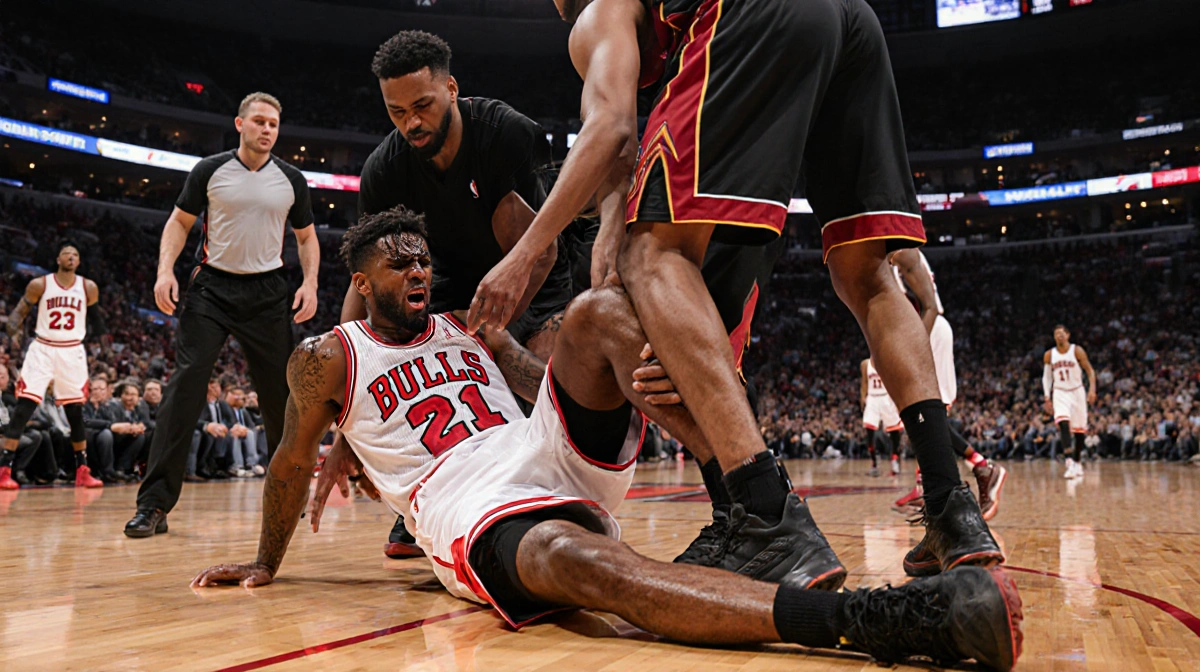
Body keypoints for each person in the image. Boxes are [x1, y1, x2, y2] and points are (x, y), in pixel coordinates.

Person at [193, 207, 1024, 672]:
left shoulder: (463, 325)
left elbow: (534, 376)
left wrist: (637, 381)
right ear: (362, 280)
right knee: (583, 567)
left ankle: (752, 509)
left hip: (539, 448)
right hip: (463, 502)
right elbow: (291, 462)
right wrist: (267, 561)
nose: (418, 271)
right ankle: (873, 621)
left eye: (422, 259)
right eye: (398, 264)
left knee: (596, 315)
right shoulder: (327, 357)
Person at [465, 0, 1001, 578]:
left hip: (752, 12)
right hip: (855, 20)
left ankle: (764, 518)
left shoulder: (595, 12)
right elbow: (624, 154)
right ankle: (952, 510)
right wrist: (619, 222)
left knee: (653, 257)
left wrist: (524, 256)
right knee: (866, 275)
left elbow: (612, 129)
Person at [341, 30, 576, 559]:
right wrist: (345, 372)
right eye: (397, 112)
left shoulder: (505, 133)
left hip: (532, 273)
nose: (411, 123)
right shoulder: (384, 170)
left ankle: (544, 499)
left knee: (531, 384)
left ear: (451, 87)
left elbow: (538, 252)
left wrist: (489, 341)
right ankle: (421, 505)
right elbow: (368, 281)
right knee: (415, 378)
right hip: (451, 286)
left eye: (422, 105)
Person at [125, 92, 319, 537]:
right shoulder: (209, 170)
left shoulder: (291, 179)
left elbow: (306, 238)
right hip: (212, 286)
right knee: (185, 387)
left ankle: (289, 495)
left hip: (268, 291)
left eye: (273, 123)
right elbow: (179, 222)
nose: (267, 129)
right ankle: (154, 505)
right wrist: (164, 271)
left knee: (280, 400)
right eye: (259, 121)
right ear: (240, 124)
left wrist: (309, 283)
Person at [890, 249, 1007, 524]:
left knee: (927, 413)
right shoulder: (889, 255)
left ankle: (982, 466)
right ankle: (926, 487)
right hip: (920, 333)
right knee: (916, 416)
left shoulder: (900, 250)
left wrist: (915, 345)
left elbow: (930, 305)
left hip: (927, 331)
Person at [1, 242, 104, 489]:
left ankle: (82, 470)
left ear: (79, 262)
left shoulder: (88, 287)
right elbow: (17, 314)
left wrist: (99, 350)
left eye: (76, 254)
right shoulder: (41, 284)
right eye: (67, 253)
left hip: (72, 350)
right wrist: (13, 332)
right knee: (24, 408)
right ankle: (5, 470)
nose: (71, 257)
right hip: (43, 348)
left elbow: (98, 323)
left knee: (75, 412)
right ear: (58, 259)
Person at [1043, 325, 1097, 480]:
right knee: (1063, 423)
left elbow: (1090, 370)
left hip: (1077, 391)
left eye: (1062, 333)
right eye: (1056, 334)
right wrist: (1047, 397)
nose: (1059, 336)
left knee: (1080, 431)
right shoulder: (1049, 355)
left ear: (1068, 335)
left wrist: (1092, 389)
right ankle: (1069, 461)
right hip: (1060, 391)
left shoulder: (1077, 350)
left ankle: (1077, 461)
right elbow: (1047, 377)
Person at [860, 358, 903, 478]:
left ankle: (895, 460)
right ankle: (874, 463)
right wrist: (863, 397)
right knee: (869, 431)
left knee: (895, 431)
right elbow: (864, 382)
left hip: (886, 397)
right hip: (872, 398)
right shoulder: (865, 364)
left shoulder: (888, 360)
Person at [107, 380, 150, 480]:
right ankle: (119, 469)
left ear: (139, 397)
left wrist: (140, 427)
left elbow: (147, 423)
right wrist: (130, 428)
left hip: (132, 438)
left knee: (145, 436)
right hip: (115, 438)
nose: (130, 397)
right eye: (127, 394)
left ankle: (132, 469)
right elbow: (113, 424)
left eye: (133, 394)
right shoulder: (114, 405)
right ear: (121, 395)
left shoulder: (141, 407)